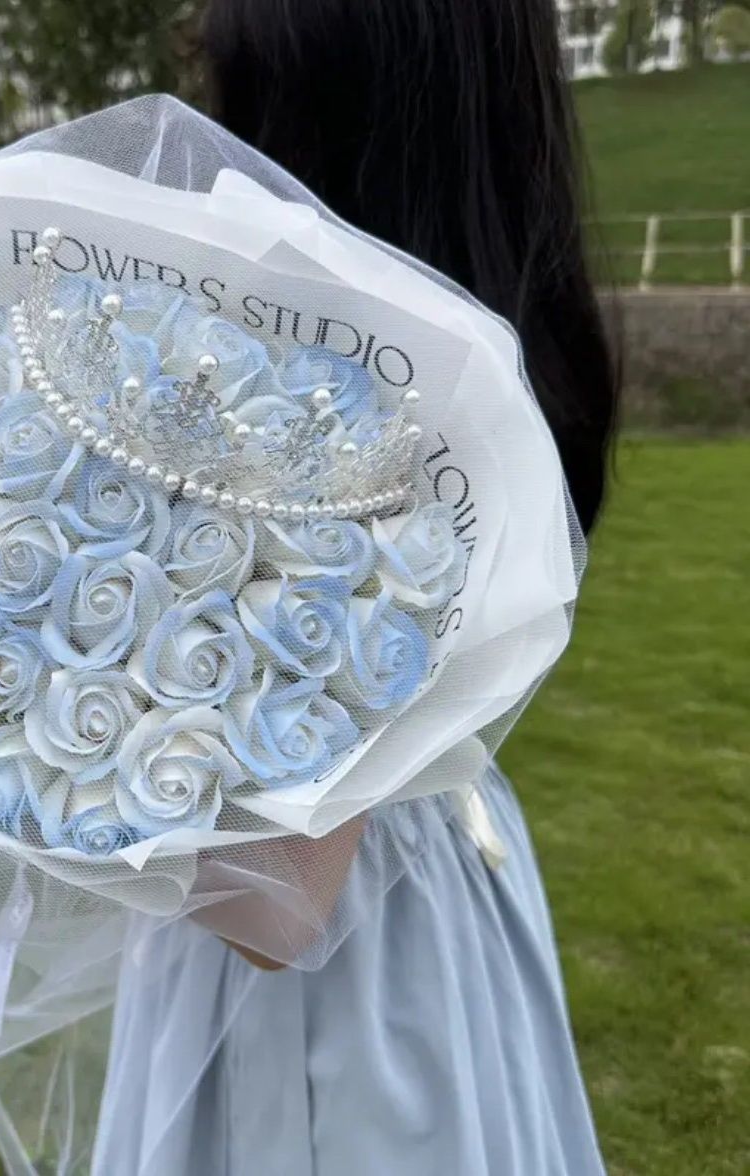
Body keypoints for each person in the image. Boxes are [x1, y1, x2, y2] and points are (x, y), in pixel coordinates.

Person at [91, 2, 618, 1172]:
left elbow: (275, 904)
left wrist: (41, 736)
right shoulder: (501, 359)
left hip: (335, 971)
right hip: (447, 883)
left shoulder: (328, 408)